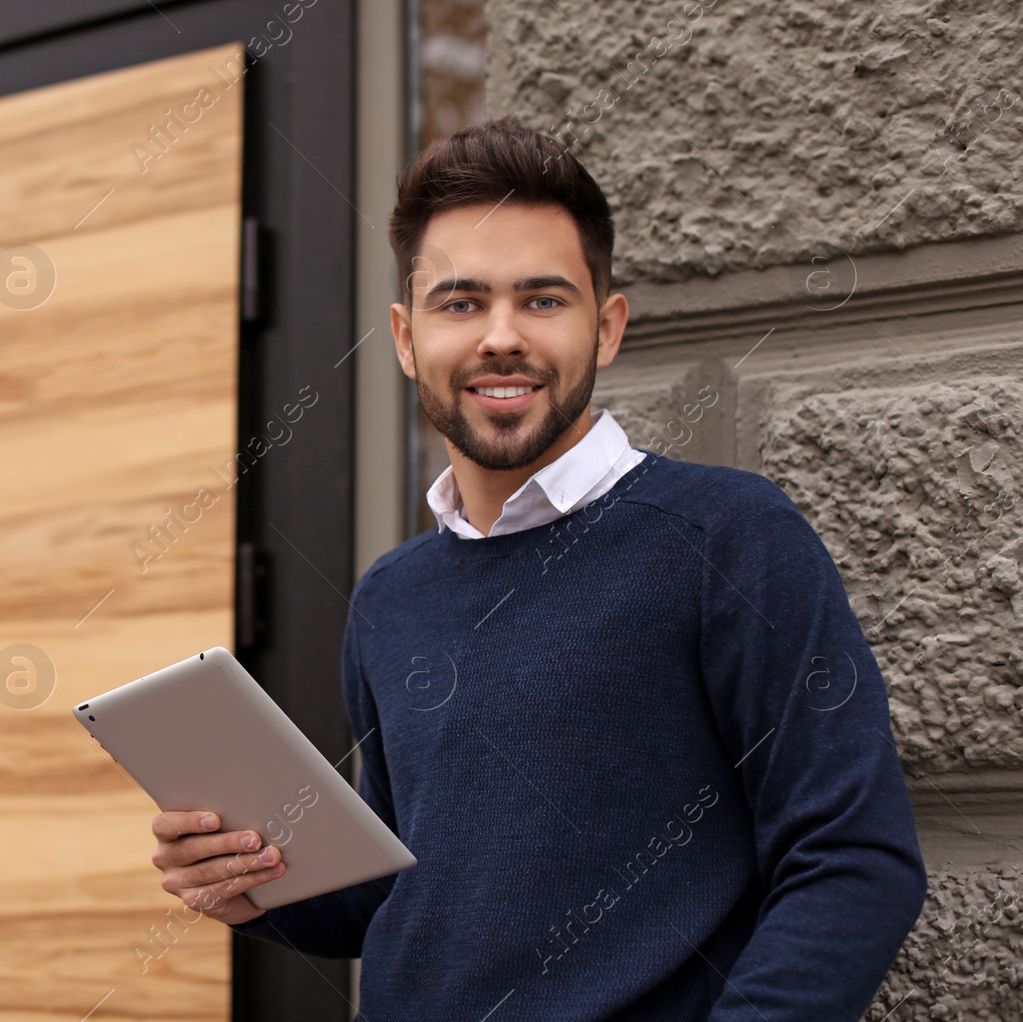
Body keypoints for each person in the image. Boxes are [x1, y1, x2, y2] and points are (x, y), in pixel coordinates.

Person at [146, 117, 927, 1020]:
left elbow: (854, 857)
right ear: (406, 338)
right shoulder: (391, 597)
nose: (501, 337)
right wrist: (251, 883)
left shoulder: (730, 536)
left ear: (608, 327)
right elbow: (398, 891)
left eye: (544, 300)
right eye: (461, 302)